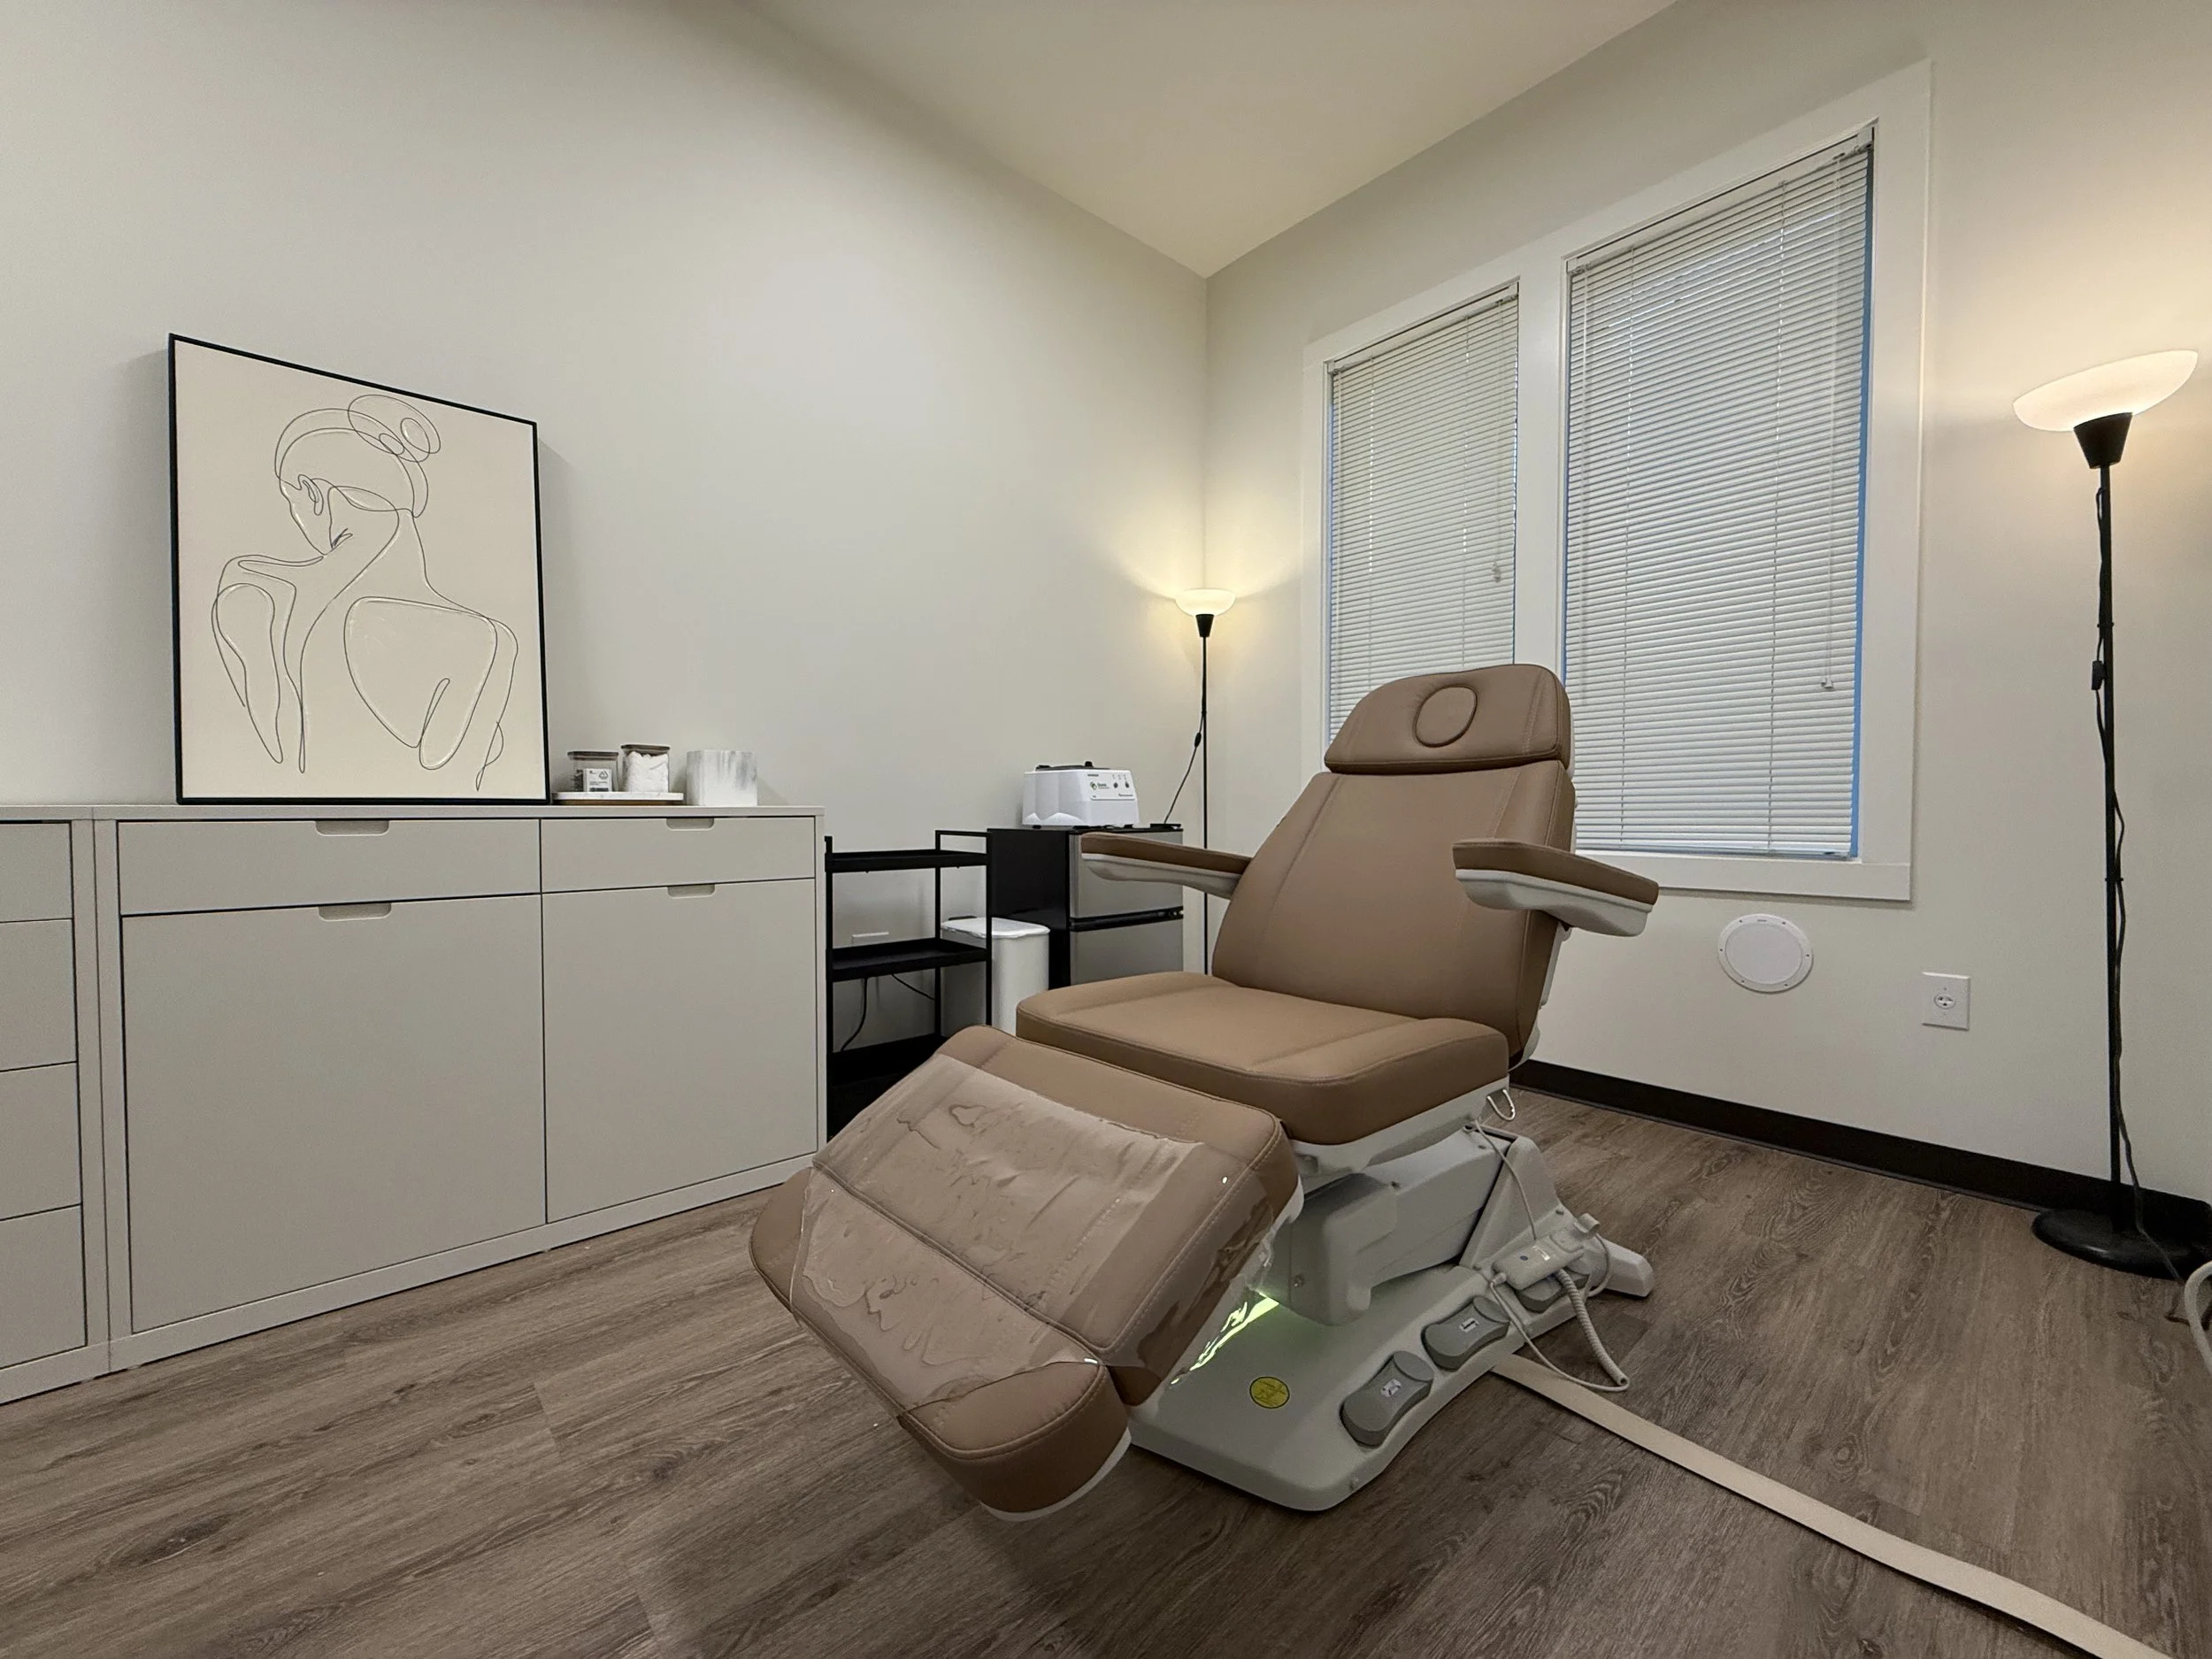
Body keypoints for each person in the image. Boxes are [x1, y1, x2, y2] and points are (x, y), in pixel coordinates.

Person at [211, 393, 517, 786]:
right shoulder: (485, 638)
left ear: (313, 492)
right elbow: (452, 775)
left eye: (292, 500)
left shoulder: (255, 584)